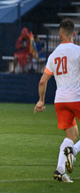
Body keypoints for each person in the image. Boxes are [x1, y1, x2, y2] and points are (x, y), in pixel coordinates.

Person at [34, 18, 80, 183]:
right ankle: (72, 152)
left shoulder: (53, 55)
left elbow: (42, 81)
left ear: (59, 34)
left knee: (72, 134)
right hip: (77, 97)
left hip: (60, 100)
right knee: (72, 141)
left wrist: (40, 100)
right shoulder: (78, 51)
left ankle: (60, 170)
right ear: (74, 34)